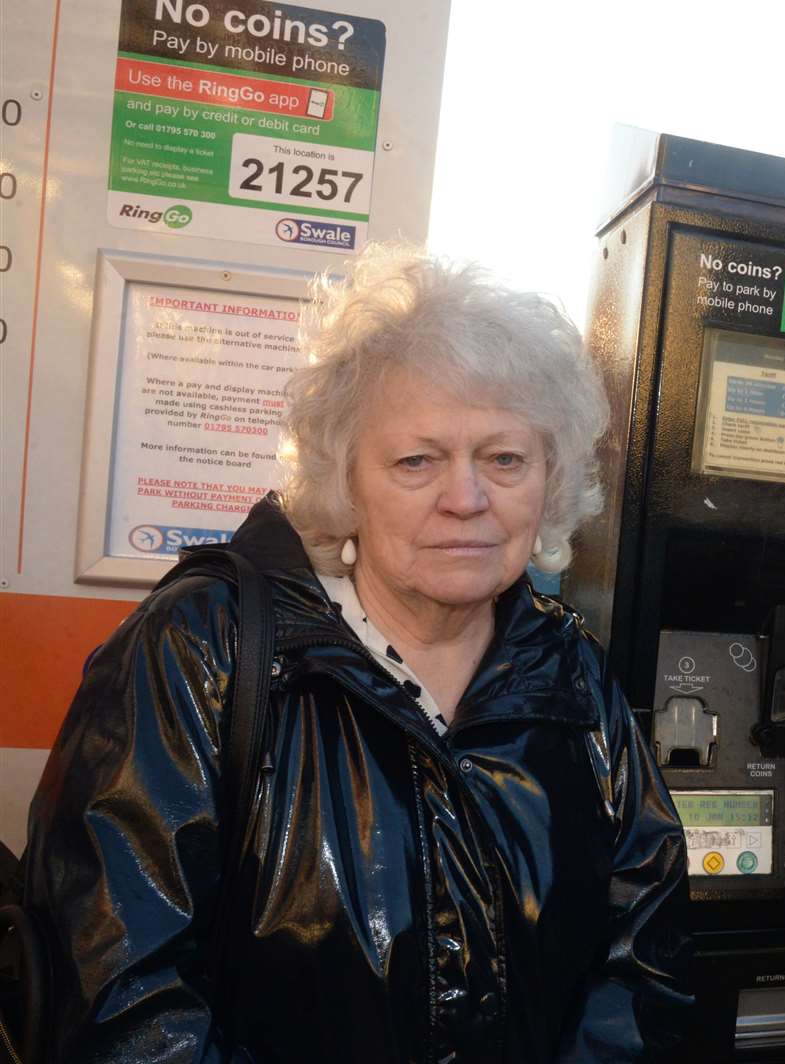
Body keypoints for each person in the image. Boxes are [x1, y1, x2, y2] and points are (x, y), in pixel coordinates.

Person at [24, 245, 690, 1061]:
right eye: (417, 460)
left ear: (550, 479)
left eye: (504, 458)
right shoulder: (204, 649)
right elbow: (118, 996)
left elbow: (646, 971)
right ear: (345, 479)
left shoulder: (573, 675)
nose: (466, 498)